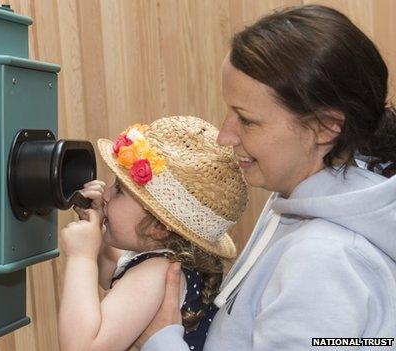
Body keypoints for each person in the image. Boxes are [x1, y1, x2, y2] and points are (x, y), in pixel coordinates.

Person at [140, 5, 396, 351]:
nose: (225, 136)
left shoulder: (323, 259)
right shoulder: (299, 201)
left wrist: (162, 342)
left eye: (246, 120)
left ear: (325, 127)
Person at [58, 116, 248, 351]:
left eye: (118, 190)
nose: (105, 195)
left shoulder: (156, 272)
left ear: (158, 227)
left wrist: (81, 257)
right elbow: (112, 273)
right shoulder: (163, 263)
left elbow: (82, 347)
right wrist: (93, 224)